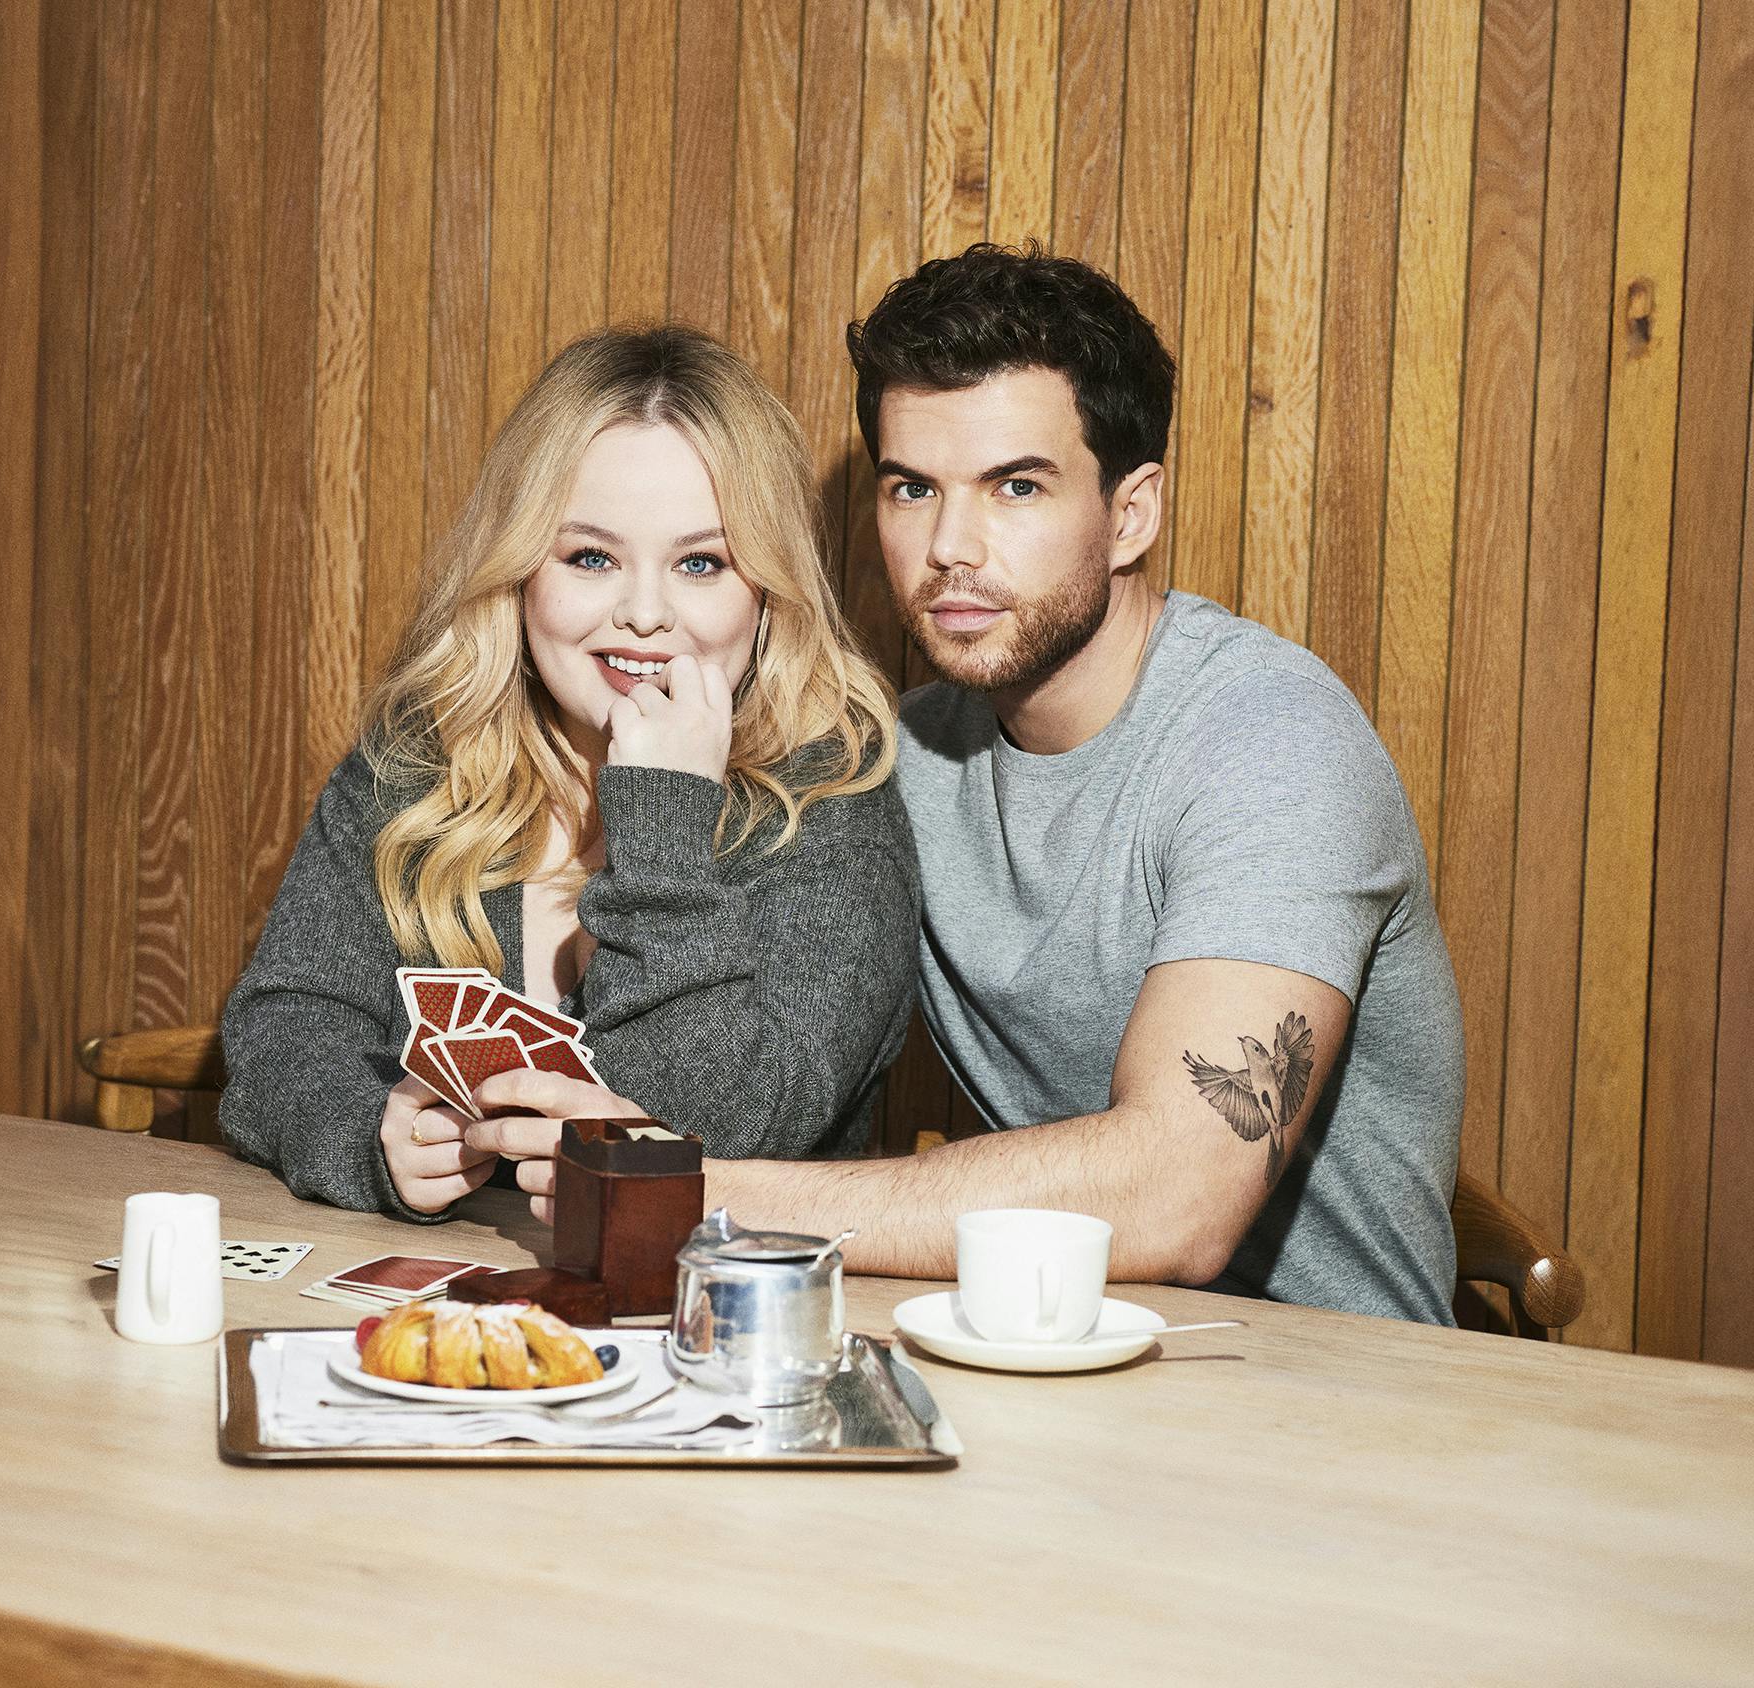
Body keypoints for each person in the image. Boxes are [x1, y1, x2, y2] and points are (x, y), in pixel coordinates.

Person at [466, 246, 1465, 1322]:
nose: (949, 546)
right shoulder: (895, 766)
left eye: (1016, 487)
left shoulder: (1271, 744)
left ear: (1132, 513)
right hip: (1047, 1369)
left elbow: (1182, 1194)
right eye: (911, 488)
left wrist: (702, 1196)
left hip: (1341, 1401)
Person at [219, 325, 919, 1223]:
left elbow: (726, 1137)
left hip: (701, 1326)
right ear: (519, 572)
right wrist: (368, 1136)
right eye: (592, 557)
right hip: (438, 1314)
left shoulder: (831, 802)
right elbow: (284, 1024)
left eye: (701, 563)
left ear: (767, 593)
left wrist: (661, 827)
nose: (642, 614)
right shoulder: (421, 760)